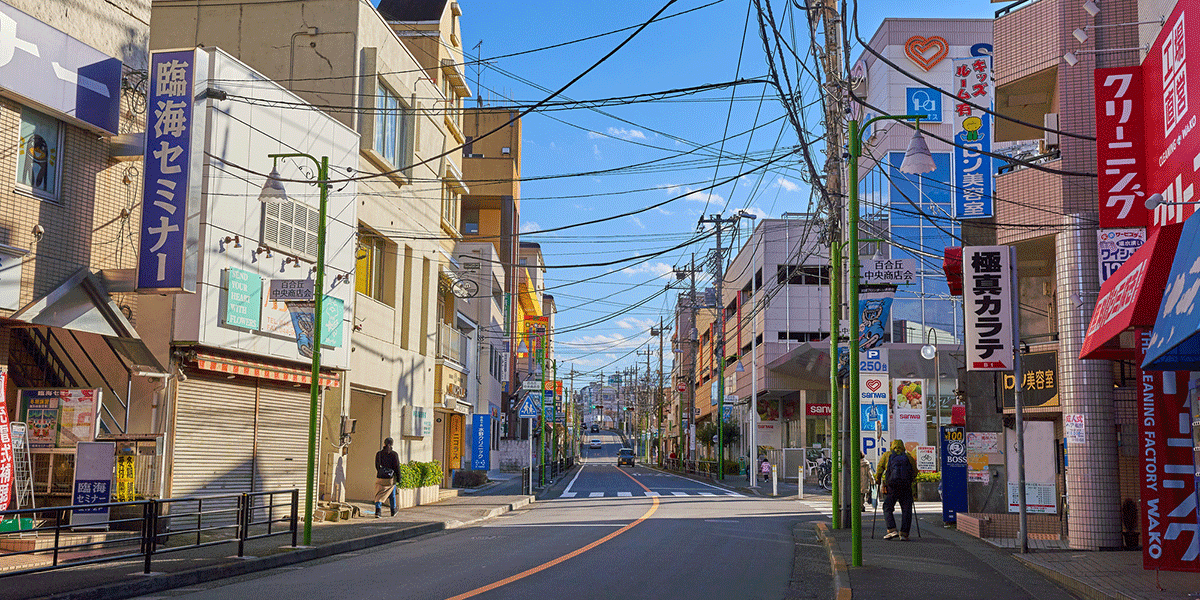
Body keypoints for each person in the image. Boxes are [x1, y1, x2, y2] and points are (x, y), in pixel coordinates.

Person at [874, 439, 917, 540]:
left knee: (887, 508)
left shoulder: (887, 455)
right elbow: (915, 471)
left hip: (891, 487)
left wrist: (878, 480)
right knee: (906, 510)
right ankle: (904, 533)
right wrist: (910, 481)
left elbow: (879, 468)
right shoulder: (908, 456)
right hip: (905, 487)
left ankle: (892, 529)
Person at [374, 438, 400, 518]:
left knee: (379, 494)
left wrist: (381, 472)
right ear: (392, 444)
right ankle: (393, 510)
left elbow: (377, 465)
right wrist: (399, 478)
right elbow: (397, 467)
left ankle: (378, 511)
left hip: (381, 477)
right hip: (390, 478)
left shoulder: (379, 454)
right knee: (392, 492)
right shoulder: (394, 454)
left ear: (384, 444)